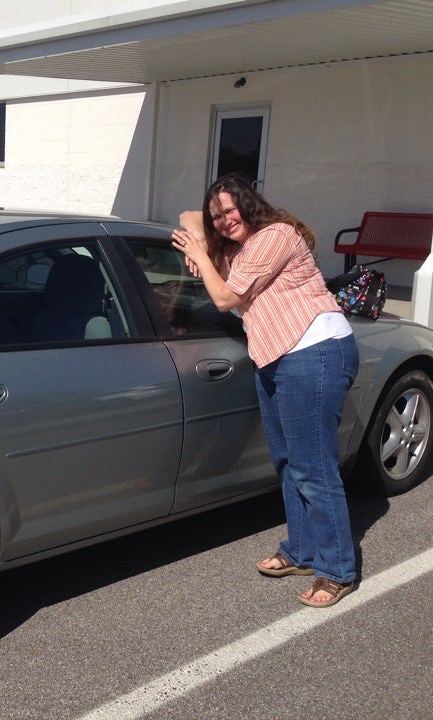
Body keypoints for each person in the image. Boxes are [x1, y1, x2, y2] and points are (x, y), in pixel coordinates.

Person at [172, 173, 358, 608]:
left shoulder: (276, 235)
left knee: (313, 467)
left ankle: (337, 570)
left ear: (249, 203)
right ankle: (302, 552)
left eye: (230, 210)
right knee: (288, 462)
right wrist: (206, 240)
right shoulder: (235, 249)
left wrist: (200, 254)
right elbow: (187, 216)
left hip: (313, 349)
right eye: (217, 216)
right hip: (274, 355)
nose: (224, 220)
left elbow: (224, 300)